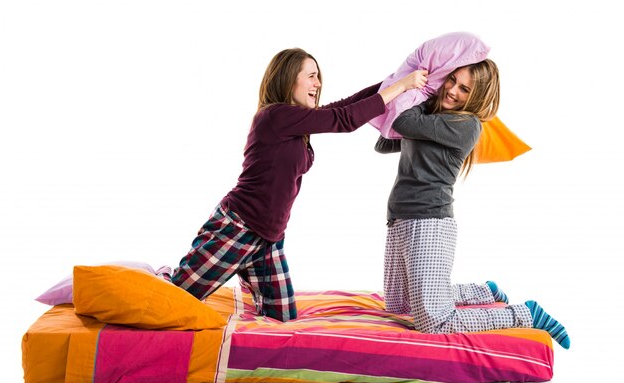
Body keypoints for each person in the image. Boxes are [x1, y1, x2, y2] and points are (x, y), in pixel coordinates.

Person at [170, 48, 428, 322]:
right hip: (238, 227)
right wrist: (402, 86)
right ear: (287, 78)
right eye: (312, 76)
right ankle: (158, 276)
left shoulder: (297, 121)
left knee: (282, 320)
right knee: (177, 296)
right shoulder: (275, 117)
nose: (318, 84)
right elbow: (345, 119)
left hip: (269, 240)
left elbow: (344, 106)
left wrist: (390, 83)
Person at [375, 59, 571, 348]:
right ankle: (483, 292)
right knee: (398, 304)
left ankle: (525, 314)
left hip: (428, 222)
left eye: (464, 88)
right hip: (400, 218)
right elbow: (383, 142)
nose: (452, 90)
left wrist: (421, 92)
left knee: (434, 322)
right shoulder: (431, 119)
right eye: (451, 80)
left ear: (476, 97)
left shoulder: (465, 125)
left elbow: (402, 121)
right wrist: (418, 98)